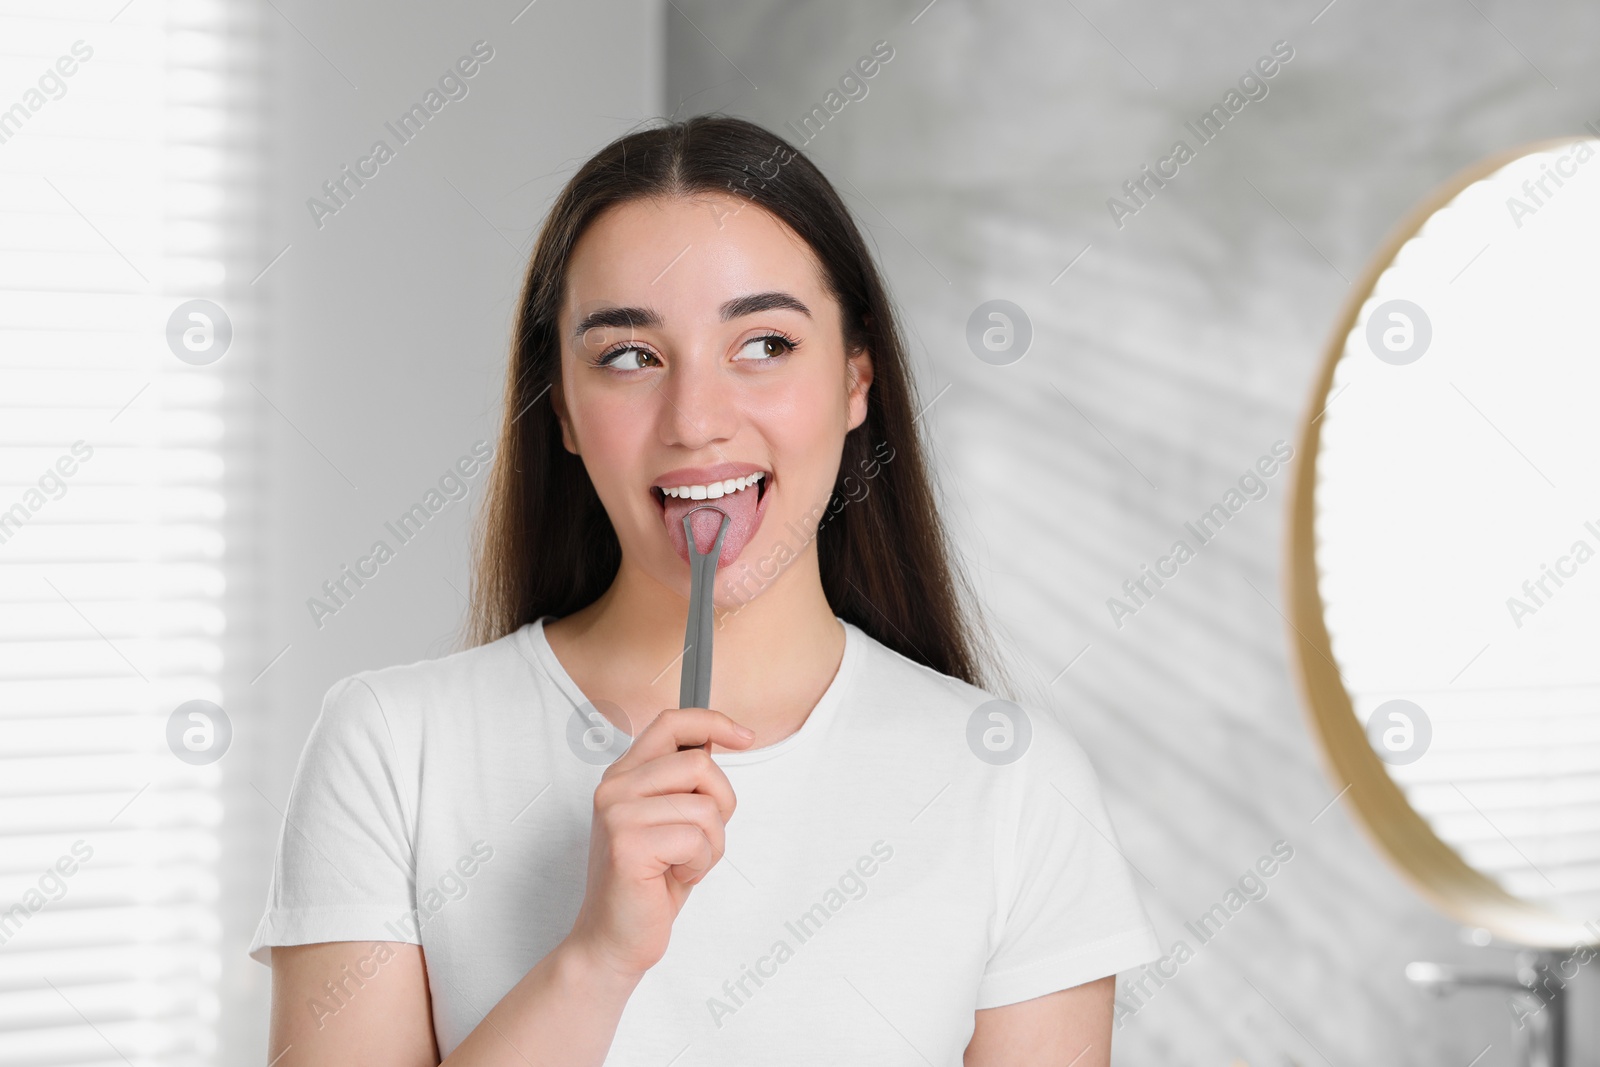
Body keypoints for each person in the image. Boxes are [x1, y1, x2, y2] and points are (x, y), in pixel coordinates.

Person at [252, 114, 1160, 1066]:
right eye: (630, 357)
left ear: (857, 380)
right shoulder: (393, 751)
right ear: (561, 407)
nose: (696, 420)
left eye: (764, 343)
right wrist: (597, 960)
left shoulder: (1013, 786)